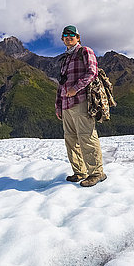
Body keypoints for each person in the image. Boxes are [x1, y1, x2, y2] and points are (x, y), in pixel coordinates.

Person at [55, 25, 107, 187]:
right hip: (66, 104)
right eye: (65, 35)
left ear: (78, 37)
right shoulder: (65, 59)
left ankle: (97, 173)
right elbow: (61, 84)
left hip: (81, 101)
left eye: (72, 34)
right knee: (70, 139)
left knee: (86, 136)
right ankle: (80, 172)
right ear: (63, 39)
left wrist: (75, 88)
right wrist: (58, 105)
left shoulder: (84, 51)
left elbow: (92, 72)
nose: (68, 37)